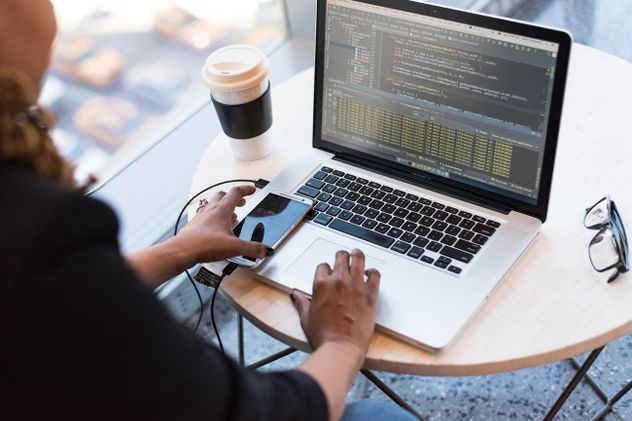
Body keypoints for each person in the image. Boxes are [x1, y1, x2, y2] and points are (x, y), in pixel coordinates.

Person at [0, 1, 418, 420]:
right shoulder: (42, 230)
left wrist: (180, 249)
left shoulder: (35, 246)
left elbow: (63, 297)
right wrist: (342, 344)